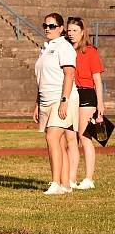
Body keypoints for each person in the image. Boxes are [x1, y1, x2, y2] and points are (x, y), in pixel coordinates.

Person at [33, 13, 79, 195]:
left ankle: (55, 183)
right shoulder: (45, 48)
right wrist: (37, 103)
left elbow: (69, 74)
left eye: (52, 26)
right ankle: (65, 184)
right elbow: (41, 79)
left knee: (52, 138)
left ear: (60, 29)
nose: (47, 28)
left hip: (61, 99)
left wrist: (64, 101)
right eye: (45, 25)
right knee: (58, 142)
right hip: (45, 99)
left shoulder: (64, 47)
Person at [64, 17, 105, 190]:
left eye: (75, 30)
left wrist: (101, 105)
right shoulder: (65, 50)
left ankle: (88, 179)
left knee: (84, 137)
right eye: (69, 30)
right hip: (71, 93)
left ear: (82, 32)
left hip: (87, 94)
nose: (71, 34)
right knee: (70, 138)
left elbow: (97, 79)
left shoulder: (90, 51)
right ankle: (71, 178)